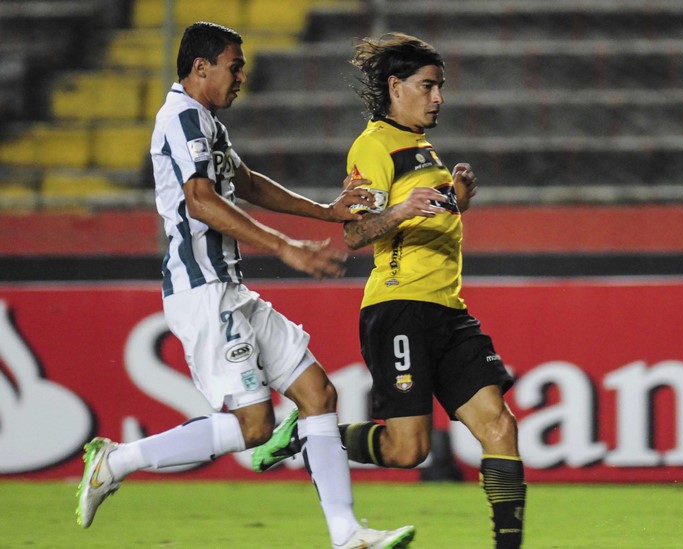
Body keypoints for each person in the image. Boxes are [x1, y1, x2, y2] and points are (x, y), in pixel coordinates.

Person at [75, 21, 415, 549]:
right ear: (200, 68)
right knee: (255, 428)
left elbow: (247, 183)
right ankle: (116, 461)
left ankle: (347, 534)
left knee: (318, 394)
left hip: (229, 288)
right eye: (235, 67)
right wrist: (283, 247)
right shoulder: (182, 116)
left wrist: (325, 213)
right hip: (203, 291)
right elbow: (201, 201)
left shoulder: (207, 123)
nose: (242, 77)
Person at [253, 32, 526, 548]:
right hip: (400, 309)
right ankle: (309, 438)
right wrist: (400, 209)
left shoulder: (422, 148)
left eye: (440, 86)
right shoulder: (373, 146)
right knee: (408, 451)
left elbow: (427, 213)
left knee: (500, 428)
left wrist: (457, 199)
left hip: (448, 310)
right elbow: (355, 233)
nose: (438, 97)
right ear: (395, 86)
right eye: (428, 86)